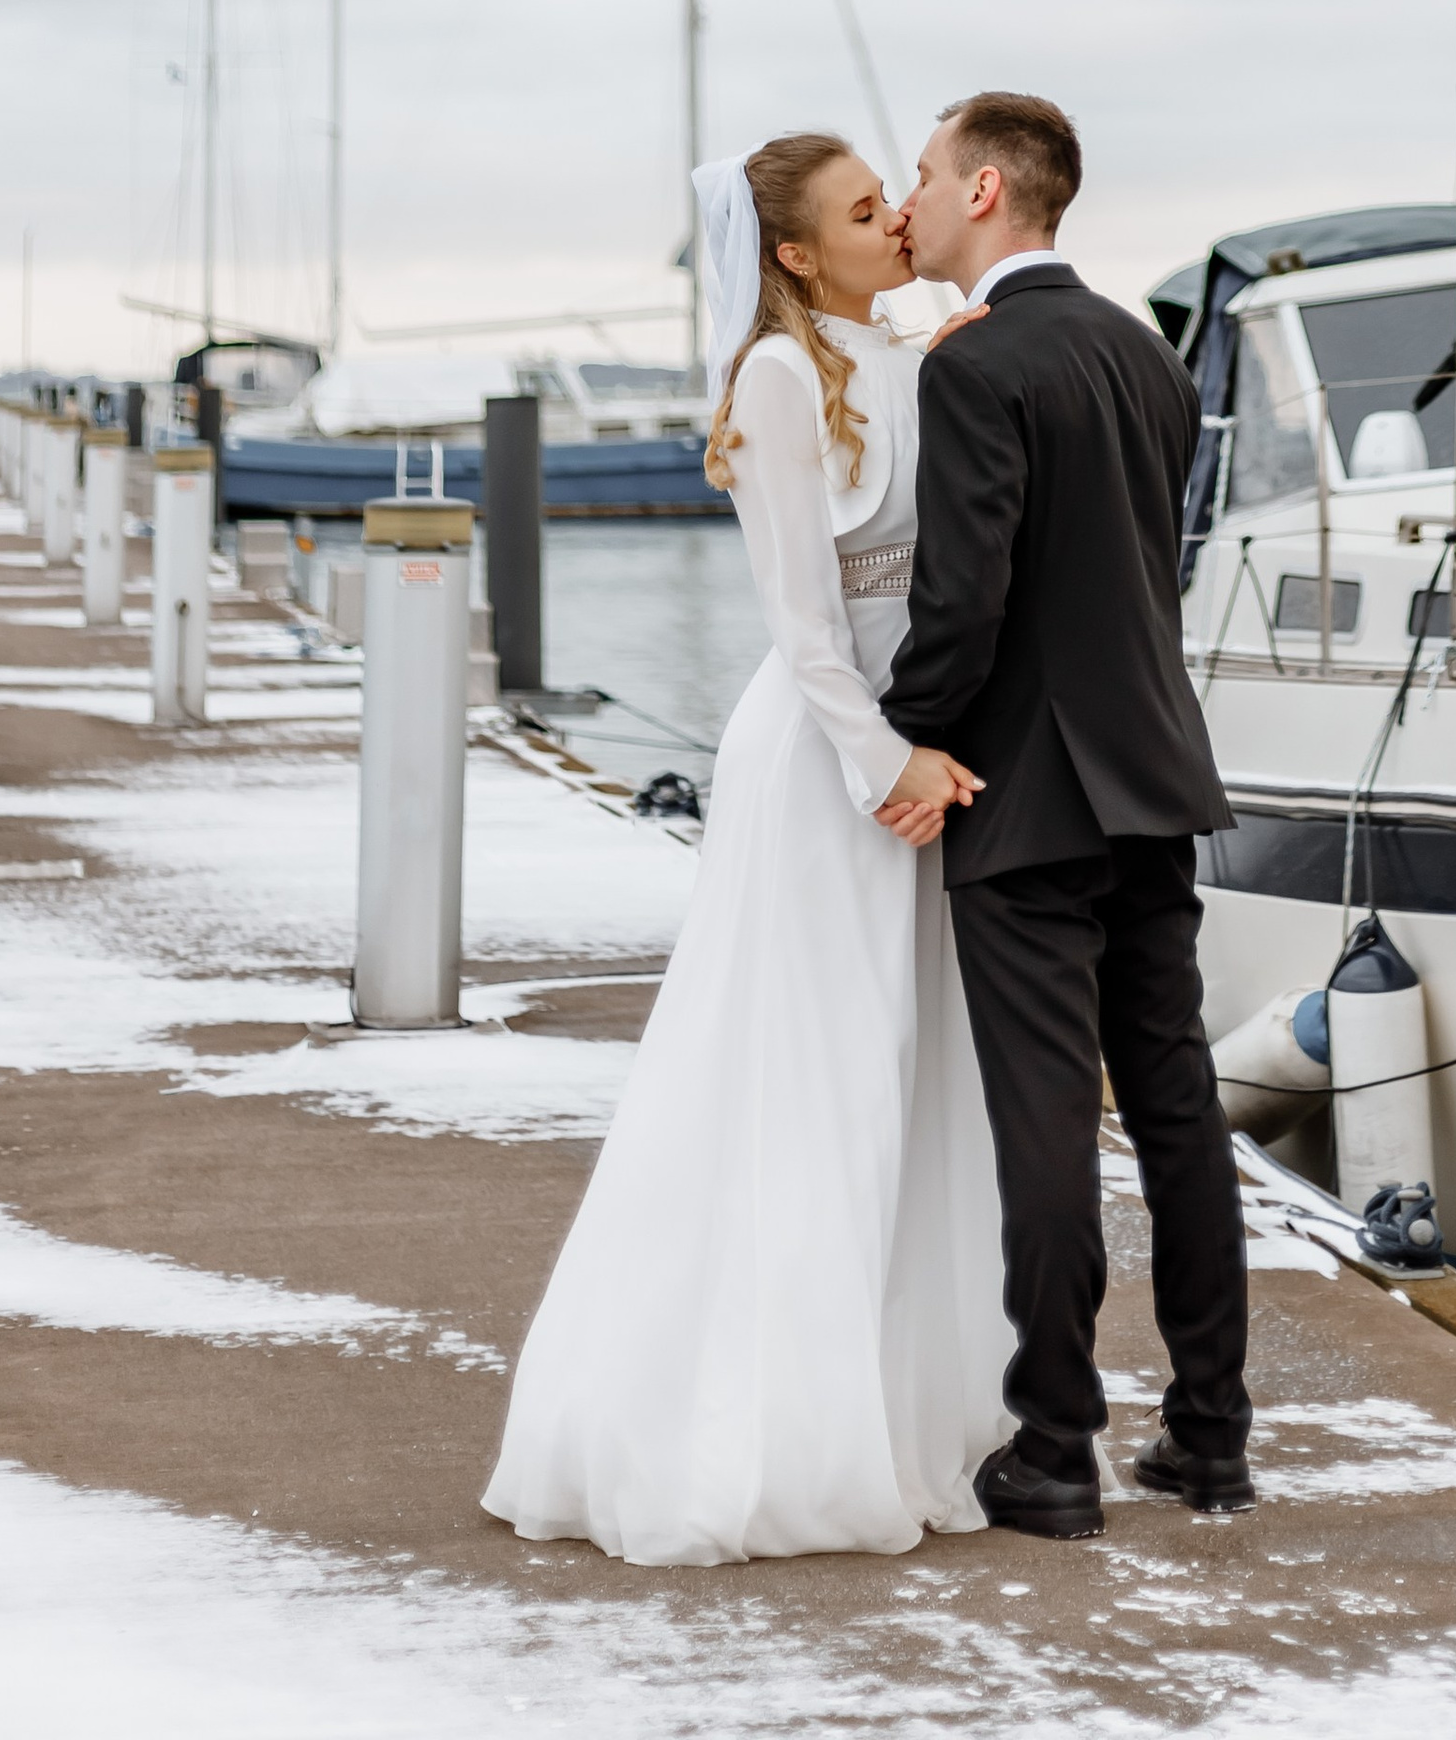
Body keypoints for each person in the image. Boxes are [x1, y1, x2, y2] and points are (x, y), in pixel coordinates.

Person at [481, 131, 1010, 1563]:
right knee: (814, 1074)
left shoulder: (905, 342)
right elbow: (801, 619)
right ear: (791, 250)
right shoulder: (778, 380)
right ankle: (776, 1423)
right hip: (831, 760)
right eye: (859, 209)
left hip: (913, 750)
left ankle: (897, 1407)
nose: (894, 217)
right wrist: (884, 761)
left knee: (905, 1074)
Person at [879, 89, 1251, 1540]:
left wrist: (903, 735)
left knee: (1044, 1120)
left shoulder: (977, 371)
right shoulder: (1147, 356)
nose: (907, 196)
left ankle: (1056, 1448)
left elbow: (963, 605)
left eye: (920, 173)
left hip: (1027, 794)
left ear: (984, 191)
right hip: (1156, 782)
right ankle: (1210, 1439)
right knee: (1175, 1111)